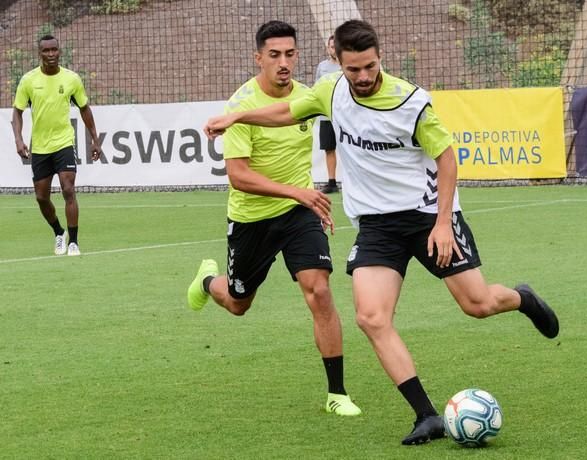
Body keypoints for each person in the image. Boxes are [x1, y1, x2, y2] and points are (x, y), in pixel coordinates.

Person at [203, 19, 559, 445]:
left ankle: (522, 298)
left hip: (428, 216)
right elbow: (285, 112)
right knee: (371, 317)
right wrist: (238, 115)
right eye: (354, 69)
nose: (364, 77)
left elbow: (446, 158)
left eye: (370, 67)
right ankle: (425, 415)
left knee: (477, 304)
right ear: (338, 60)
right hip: (377, 226)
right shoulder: (330, 90)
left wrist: (444, 223)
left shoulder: (410, 101)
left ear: (379, 58)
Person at [187, 21, 361, 417]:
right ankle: (206, 281)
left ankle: (337, 393)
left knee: (319, 291)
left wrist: (304, 196)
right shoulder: (241, 106)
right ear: (258, 58)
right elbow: (239, 176)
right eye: (274, 55)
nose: (284, 63)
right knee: (237, 303)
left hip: (300, 212)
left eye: (290, 54)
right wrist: (298, 191)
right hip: (253, 218)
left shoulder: (308, 96)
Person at [11, 34, 102, 256]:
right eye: (46, 51)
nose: (51, 54)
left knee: (68, 189)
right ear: (39, 53)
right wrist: (19, 139)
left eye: (54, 50)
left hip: (64, 143)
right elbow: (17, 112)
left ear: (59, 51)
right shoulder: (28, 80)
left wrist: (94, 139)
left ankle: (74, 242)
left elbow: (84, 108)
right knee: (42, 197)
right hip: (40, 147)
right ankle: (58, 232)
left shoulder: (71, 79)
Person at [314, 35, 340, 194]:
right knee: (329, 149)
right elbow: (317, 88)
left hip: (344, 115)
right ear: (328, 48)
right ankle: (332, 182)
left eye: (336, 46)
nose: (334, 49)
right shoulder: (322, 67)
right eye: (331, 46)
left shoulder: (347, 65)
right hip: (326, 115)